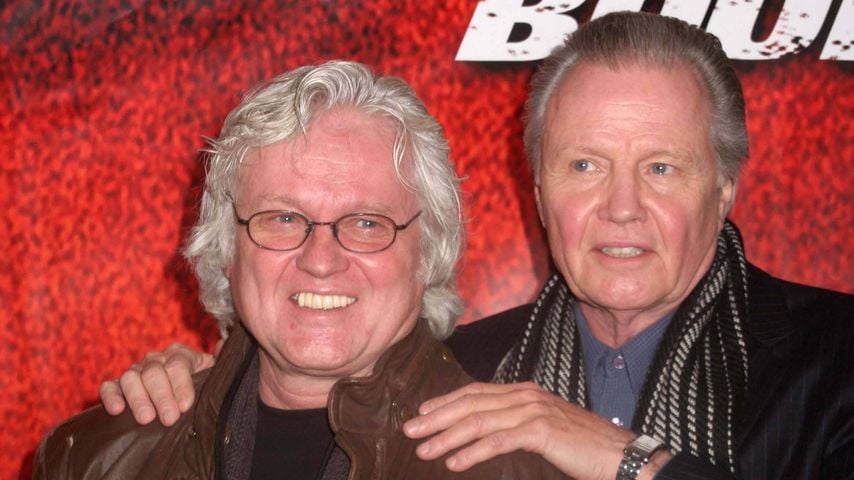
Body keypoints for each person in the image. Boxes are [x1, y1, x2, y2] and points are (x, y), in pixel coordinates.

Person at [97, 12, 854, 480]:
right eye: (585, 166)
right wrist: (197, 391)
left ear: (723, 189)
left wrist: (628, 461)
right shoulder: (458, 370)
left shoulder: (839, 359)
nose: (622, 207)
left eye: (661, 168)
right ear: (538, 194)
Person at [33, 60, 565, 479]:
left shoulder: (516, 468)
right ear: (227, 246)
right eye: (283, 218)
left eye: (365, 223)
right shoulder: (97, 458)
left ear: (427, 252)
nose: (320, 260)